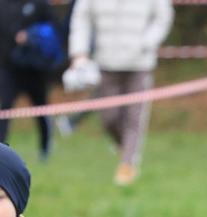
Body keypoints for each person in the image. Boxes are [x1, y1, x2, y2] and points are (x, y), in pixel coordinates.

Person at [67, 0, 174, 186]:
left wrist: (146, 42)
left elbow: (163, 17)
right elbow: (81, 17)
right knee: (109, 118)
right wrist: (79, 52)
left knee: (135, 117)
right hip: (106, 64)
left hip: (139, 65)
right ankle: (124, 147)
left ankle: (127, 165)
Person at [0, 0, 62, 162]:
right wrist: (6, 50)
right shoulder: (0, 6)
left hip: (35, 69)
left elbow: (54, 27)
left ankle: (45, 146)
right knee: (4, 106)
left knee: (40, 108)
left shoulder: (40, 4)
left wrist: (32, 36)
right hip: (10, 68)